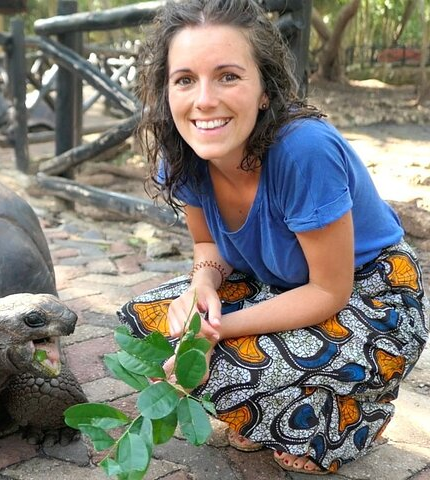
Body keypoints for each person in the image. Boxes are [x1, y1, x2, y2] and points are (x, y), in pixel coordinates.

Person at [117, 0, 429, 475]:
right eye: (185, 79)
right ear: (166, 91)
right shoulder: (184, 155)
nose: (204, 100)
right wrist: (200, 290)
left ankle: (359, 413)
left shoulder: (304, 151)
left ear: (264, 89)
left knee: (219, 364)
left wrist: (217, 331)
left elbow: (329, 290)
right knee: (146, 323)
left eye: (227, 76)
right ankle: (277, 410)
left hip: (371, 296)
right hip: (278, 285)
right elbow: (208, 249)